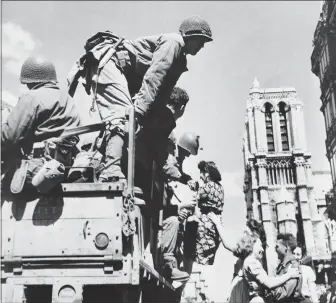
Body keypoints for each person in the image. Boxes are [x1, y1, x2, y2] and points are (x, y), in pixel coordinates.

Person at [67, 16, 212, 182]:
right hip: (110, 64)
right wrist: (138, 112)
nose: (201, 46)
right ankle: (110, 170)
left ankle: (89, 169)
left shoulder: (180, 57)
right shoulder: (174, 43)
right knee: (122, 118)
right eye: (200, 40)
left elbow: (161, 93)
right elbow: (155, 77)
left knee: (130, 123)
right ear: (190, 35)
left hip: (123, 75)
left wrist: (150, 119)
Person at [2, 56, 80, 190]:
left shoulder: (31, 98)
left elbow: (9, 136)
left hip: (34, 167)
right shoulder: (67, 98)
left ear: (28, 80)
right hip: (63, 166)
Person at [209, 216, 300, 303]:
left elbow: (227, 243)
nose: (245, 235)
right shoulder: (251, 254)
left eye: (248, 232)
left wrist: (218, 224)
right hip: (245, 289)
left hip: (247, 291)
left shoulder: (253, 254)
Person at [159, 132, 201, 282]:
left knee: (178, 222)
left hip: (165, 200)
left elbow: (179, 173)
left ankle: (173, 264)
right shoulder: (170, 154)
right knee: (174, 221)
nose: (187, 157)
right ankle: (168, 265)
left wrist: (188, 179)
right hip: (158, 201)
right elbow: (168, 168)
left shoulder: (178, 157)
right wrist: (184, 178)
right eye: (187, 153)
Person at [266, 233, 304, 303]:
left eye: (277, 246)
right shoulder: (282, 266)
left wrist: (268, 286)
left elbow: (281, 295)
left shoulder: (293, 266)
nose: (275, 249)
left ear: (286, 247)